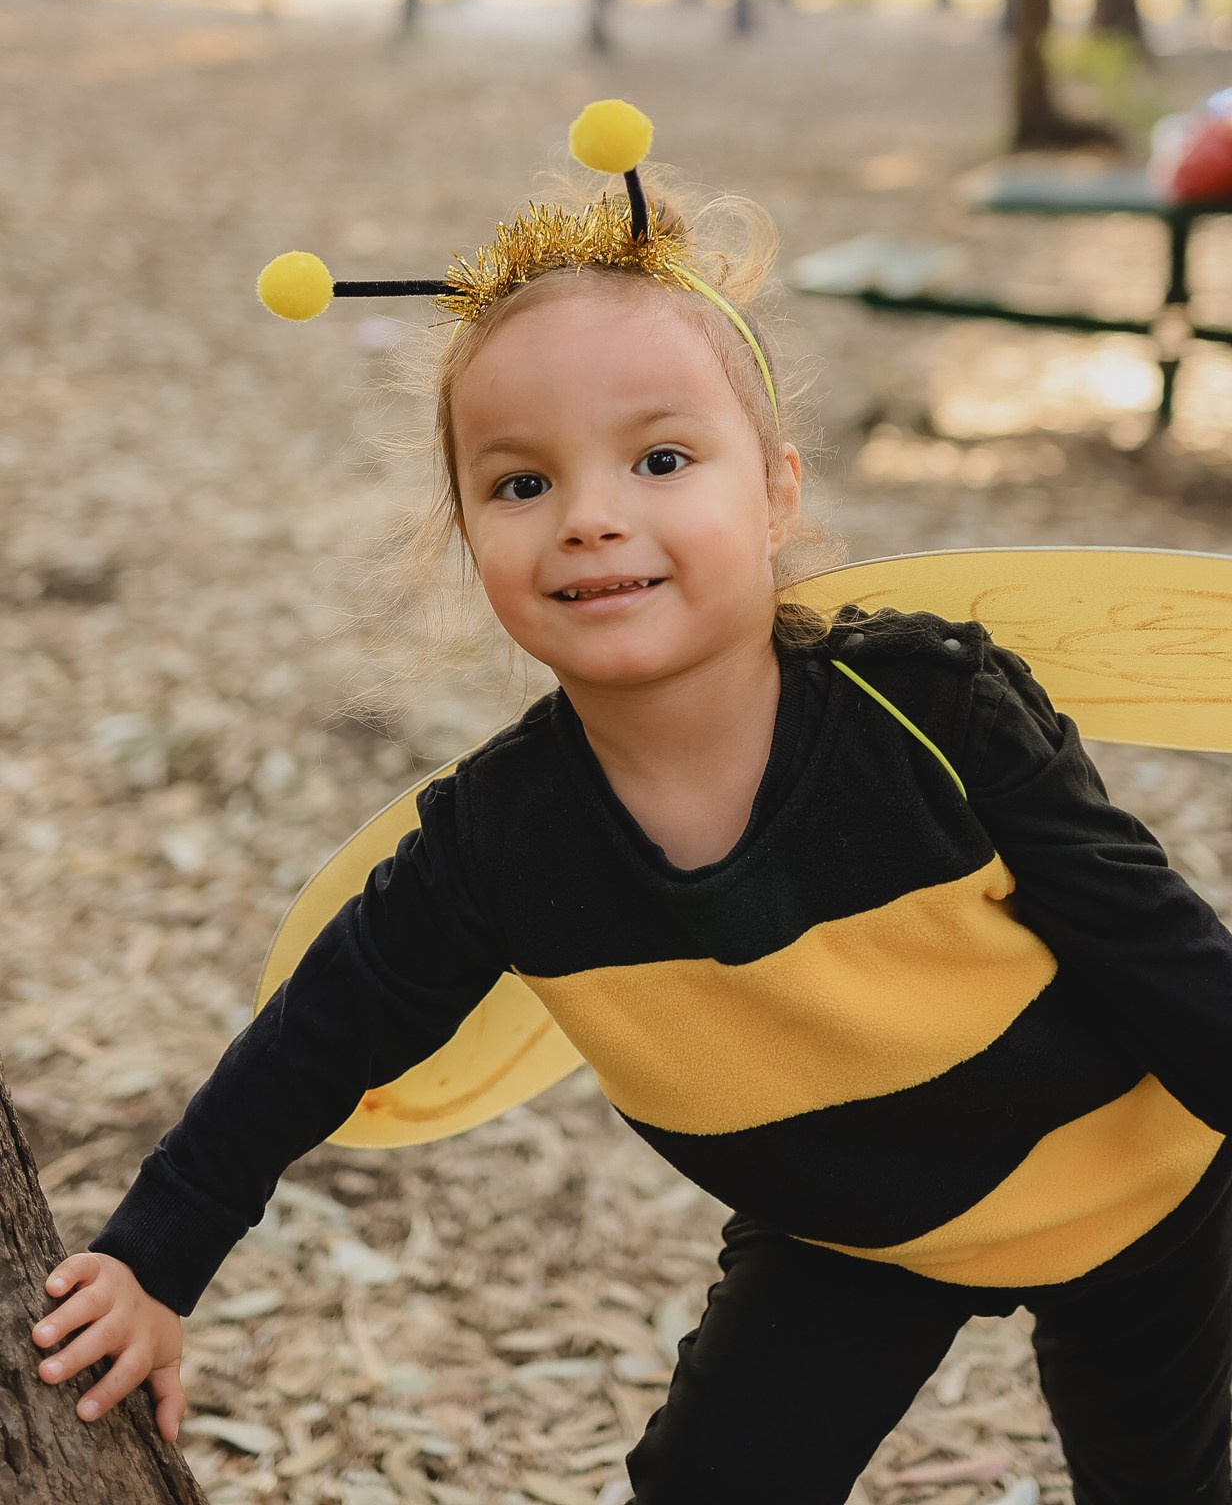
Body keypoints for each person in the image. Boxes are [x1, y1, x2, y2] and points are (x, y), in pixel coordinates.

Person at [32, 103, 1232, 1504]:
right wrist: (152, 1261)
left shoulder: (933, 709)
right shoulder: (499, 839)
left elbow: (1161, 953)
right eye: (522, 481)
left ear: (775, 495)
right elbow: (317, 1038)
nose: (590, 516)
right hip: (846, 1230)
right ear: (467, 534)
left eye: (661, 460)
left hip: (1135, 1189)